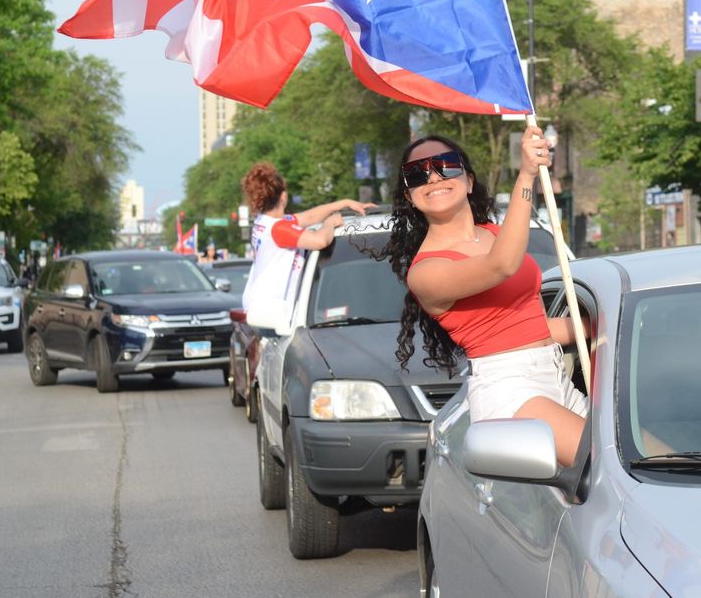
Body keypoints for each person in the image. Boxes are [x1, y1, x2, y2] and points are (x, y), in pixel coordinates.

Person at [378, 127, 587, 466]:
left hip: (555, 376)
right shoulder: (425, 271)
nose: (432, 177)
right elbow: (501, 266)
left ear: (469, 181)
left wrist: (596, 327)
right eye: (417, 174)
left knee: (649, 459)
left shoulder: (492, 233)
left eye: (444, 165)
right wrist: (526, 175)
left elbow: (532, 327)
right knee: (608, 465)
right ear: (408, 196)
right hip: (510, 390)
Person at [241, 162, 374, 315]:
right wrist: (330, 223)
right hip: (271, 311)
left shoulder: (265, 222)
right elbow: (320, 241)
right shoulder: (278, 229)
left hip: (262, 307)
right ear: (283, 196)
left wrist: (344, 203)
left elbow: (309, 217)